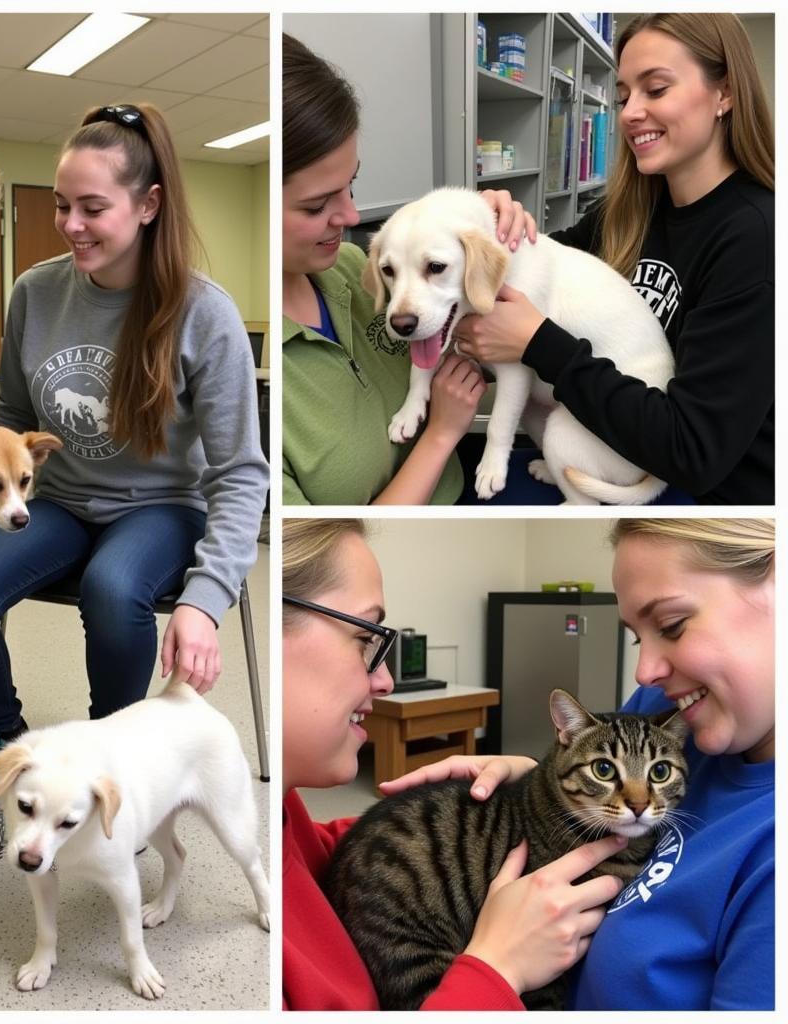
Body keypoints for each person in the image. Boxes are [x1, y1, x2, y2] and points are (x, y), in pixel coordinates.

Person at [0, 103, 268, 830]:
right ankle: (7, 740)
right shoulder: (34, 292)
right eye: (61, 206)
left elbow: (242, 473)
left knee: (113, 591)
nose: (71, 224)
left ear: (149, 205)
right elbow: (18, 428)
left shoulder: (203, 313)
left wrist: (205, 598)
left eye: (92, 207)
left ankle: (109, 766)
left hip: (160, 509)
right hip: (60, 502)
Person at [387, 518, 774, 1010]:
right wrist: (530, 772)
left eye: (672, 625)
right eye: (636, 637)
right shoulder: (673, 711)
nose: (645, 671)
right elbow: (592, 755)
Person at [282, 518, 631, 1010]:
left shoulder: (279, 810)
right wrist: (496, 968)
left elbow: (310, 858)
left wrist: (528, 795)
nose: (385, 681)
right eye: (366, 639)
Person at [458, 14, 773, 504]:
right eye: (624, 95)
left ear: (725, 94)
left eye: (656, 89)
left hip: (706, 499)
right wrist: (492, 226)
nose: (629, 113)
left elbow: (694, 453)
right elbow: (535, 260)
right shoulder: (625, 212)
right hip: (612, 448)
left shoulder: (756, 239)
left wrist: (538, 343)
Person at [282, 34, 523, 506]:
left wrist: (481, 222)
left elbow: (479, 335)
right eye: (316, 205)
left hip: (468, 488)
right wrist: (442, 432)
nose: (351, 217)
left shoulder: (356, 268)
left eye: (351, 185)